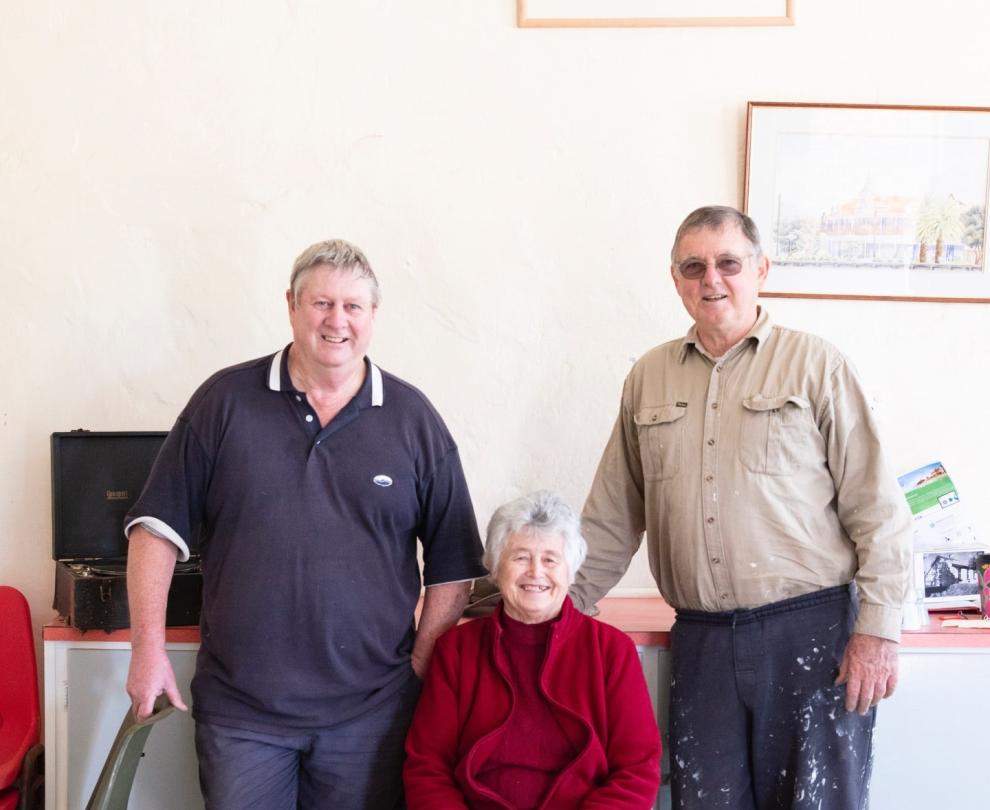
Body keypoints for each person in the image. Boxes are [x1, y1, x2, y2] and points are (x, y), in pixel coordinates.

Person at [124, 239, 487, 810]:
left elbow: (454, 565)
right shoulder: (223, 402)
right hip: (242, 713)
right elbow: (154, 530)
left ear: (372, 317)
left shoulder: (415, 420)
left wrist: (421, 662)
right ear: (292, 305)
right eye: (321, 304)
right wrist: (148, 650)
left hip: (369, 718)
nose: (336, 321)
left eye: (352, 306)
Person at [570, 206, 912, 809]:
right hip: (702, 643)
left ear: (761, 269)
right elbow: (610, 515)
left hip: (814, 635)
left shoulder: (817, 366)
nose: (712, 280)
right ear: (675, 279)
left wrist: (878, 632)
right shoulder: (647, 379)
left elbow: (877, 506)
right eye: (694, 266)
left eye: (728, 263)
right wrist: (558, 614)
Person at [404, 490, 661, 810]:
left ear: (571, 570)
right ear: (497, 569)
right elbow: (427, 768)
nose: (536, 572)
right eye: (521, 557)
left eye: (550, 559)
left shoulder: (611, 651)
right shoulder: (456, 651)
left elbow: (637, 771)